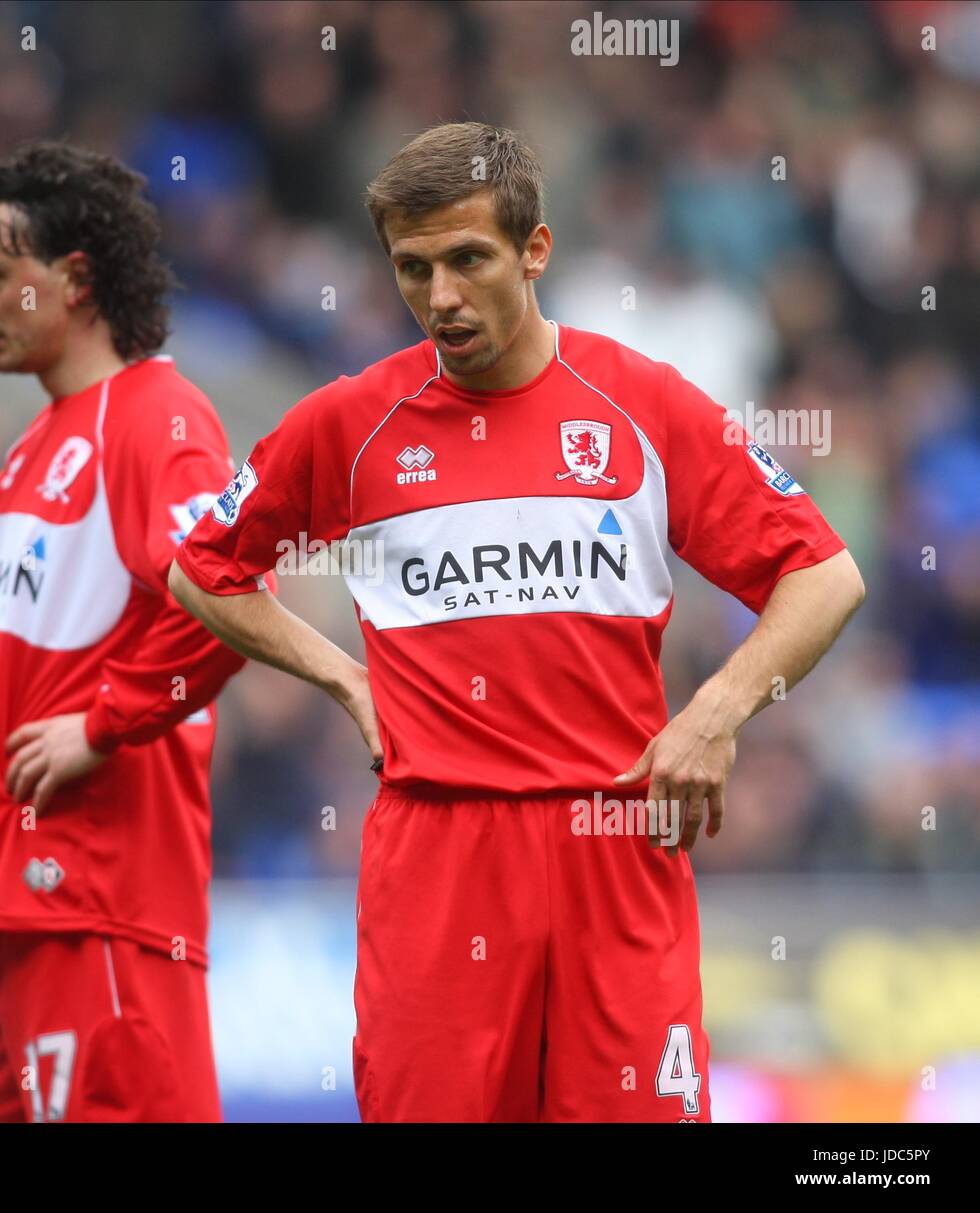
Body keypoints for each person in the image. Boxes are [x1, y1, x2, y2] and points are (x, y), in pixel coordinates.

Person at [168, 122, 865, 1122]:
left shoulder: (638, 403)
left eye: (467, 260)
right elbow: (201, 568)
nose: (439, 296)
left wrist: (715, 712)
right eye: (412, 268)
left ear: (534, 252)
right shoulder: (348, 423)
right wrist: (341, 677)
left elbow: (823, 573)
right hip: (439, 851)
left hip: (614, 841)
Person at [0, 142, 249, 1122]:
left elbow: (224, 606)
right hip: (8, 893)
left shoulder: (158, 419)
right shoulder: (33, 446)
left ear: (75, 280)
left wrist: (100, 725)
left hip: (96, 890)